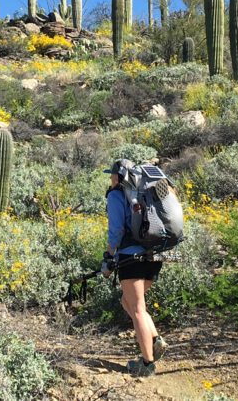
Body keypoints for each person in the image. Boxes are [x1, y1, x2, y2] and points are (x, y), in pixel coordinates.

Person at [101, 159, 167, 377]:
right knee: (128, 302)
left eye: (111, 175)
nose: (109, 178)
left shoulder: (116, 196)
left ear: (118, 177)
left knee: (137, 308)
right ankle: (155, 340)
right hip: (154, 254)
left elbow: (117, 230)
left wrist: (108, 258)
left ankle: (147, 365)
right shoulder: (141, 194)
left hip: (131, 256)